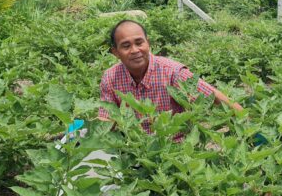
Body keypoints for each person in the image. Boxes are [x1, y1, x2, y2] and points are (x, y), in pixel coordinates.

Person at [97, 19, 242, 133]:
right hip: (133, 152)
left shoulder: (172, 72)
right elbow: (107, 118)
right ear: (115, 52)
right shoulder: (110, 78)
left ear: (149, 43)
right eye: (126, 46)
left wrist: (245, 121)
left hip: (173, 149)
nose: (135, 50)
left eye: (139, 42)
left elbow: (212, 96)